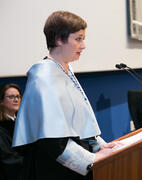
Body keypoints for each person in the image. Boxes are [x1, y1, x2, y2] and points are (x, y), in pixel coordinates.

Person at [12, 11, 121, 180]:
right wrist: (91, 159)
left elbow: (80, 123)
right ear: (58, 39)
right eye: (78, 39)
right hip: (52, 169)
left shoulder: (65, 70)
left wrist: (100, 146)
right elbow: (52, 140)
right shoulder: (44, 76)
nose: (83, 45)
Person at [0, 84, 23, 180]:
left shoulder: (22, 124)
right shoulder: (1, 129)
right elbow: (8, 159)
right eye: (11, 97)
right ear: (1, 102)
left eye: (18, 96)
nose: (16, 100)